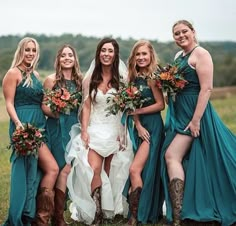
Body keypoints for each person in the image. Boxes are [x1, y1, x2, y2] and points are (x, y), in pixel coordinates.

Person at [161, 20, 236, 226]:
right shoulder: (178, 57)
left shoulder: (201, 54)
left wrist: (196, 121)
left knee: (171, 155)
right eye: (176, 33)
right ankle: (186, 208)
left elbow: (207, 89)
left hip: (195, 113)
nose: (181, 35)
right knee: (196, 158)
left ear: (193, 32)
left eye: (184, 31)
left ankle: (178, 215)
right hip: (179, 111)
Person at [65, 37, 133, 226]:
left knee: (110, 171)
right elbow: (86, 107)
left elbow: (125, 108)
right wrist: (85, 131)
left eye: (110, 51)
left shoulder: (122, 79)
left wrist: (122, 132)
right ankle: (97, 214)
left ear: (115, 54)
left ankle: (108, 209)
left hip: (115, 129)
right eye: (103, 50)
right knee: (94, 169)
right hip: (95, 128)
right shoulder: (90, 78)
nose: (106, 54)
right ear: (98, 53)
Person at [2, 37, 59, 226]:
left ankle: (30, 215)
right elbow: (9, 102)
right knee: (23, 170)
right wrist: (18, 124)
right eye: (27, 50)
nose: (31, 53)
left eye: (34, 50)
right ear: (21, 51)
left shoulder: (34, 74)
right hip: (23, 127)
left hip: (39, 127)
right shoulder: (13, 73)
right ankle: (18, 216)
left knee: (34, 172)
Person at [122, 40, 165, 226]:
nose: (141, 57)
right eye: (138, 54)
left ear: (151, 55)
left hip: (153, 127)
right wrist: (137, 124)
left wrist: (138, 113)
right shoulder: (132, 77)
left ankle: (136, 215)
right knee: (142, 171)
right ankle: (141, 212)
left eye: (144, 54)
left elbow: (160, 105)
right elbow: (131, 105)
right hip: (139, 128)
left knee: (135, 169)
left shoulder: (153, 77)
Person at [41, 44, 83, 225]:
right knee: (58, 168)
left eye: (70, 55)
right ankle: (54, 216)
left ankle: (58, 214)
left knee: (67, 169)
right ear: (58, 59)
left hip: (73, 128)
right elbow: (43, 105)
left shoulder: (81, 80)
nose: (67, 58)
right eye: (63, 55)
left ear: (75, 59)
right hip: (56, 127)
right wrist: (56, 111)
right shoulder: (51, 80)